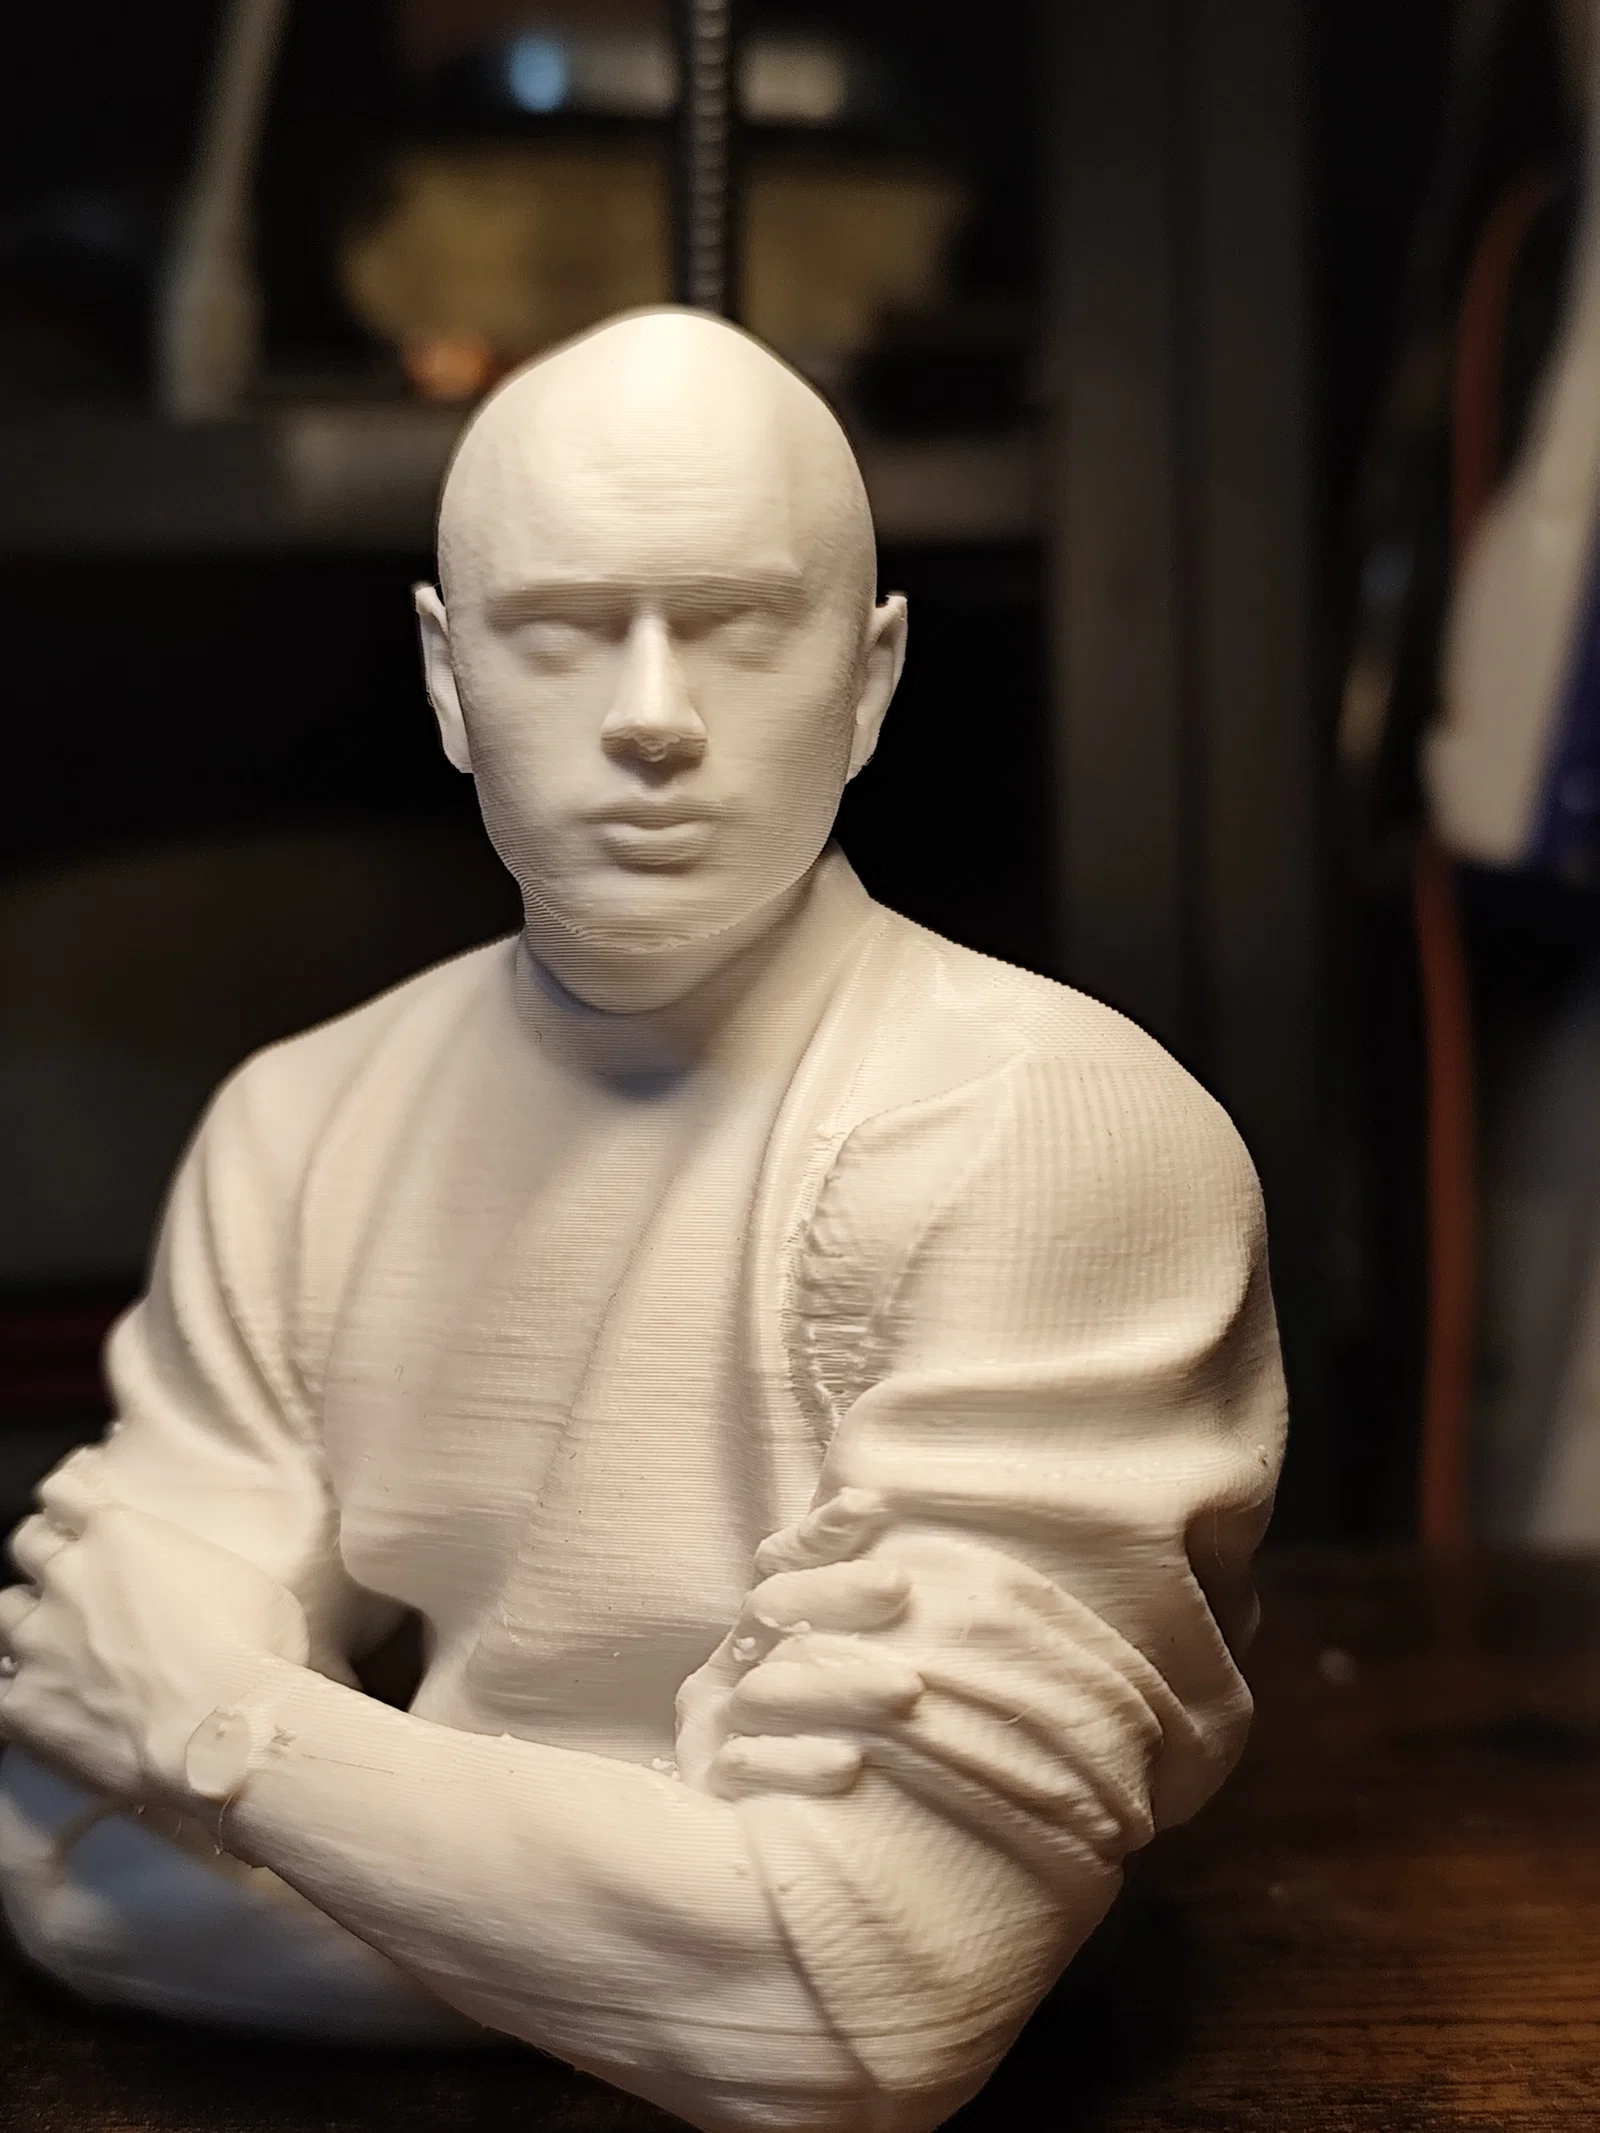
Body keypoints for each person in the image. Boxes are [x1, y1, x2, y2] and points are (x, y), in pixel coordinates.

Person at [0, 308, 1286, 2133]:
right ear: (449, 679)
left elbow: (867, 2000)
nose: (654, 718)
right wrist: (657, 1941)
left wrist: (226, 1739)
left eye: (739, 625)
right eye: (560, 630)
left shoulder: (1052, 1136)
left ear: (870, 676)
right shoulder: (301, 1123)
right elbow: (60, 1855)